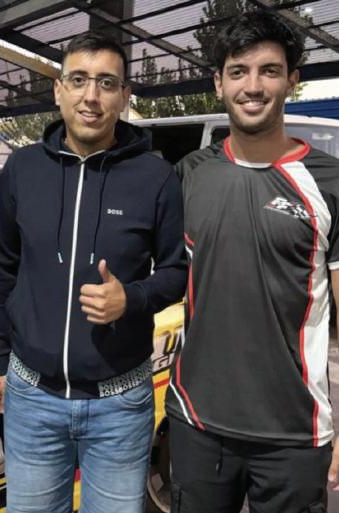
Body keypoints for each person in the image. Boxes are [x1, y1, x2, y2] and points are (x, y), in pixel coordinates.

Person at [0, 31, 186, 513]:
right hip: (31, 398)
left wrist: (131, 298)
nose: (91, 96)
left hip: (120, 404)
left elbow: (177, 272)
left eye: (106, 82)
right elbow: (5, 269)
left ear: (124, 96)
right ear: (58, 90)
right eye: (78, 80)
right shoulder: (22, 169)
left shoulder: (156, 177)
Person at [165, 10, 339, 513]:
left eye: (269, 70)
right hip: (196, 421)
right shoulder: (189, 174)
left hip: (294, 434)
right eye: (238, 71)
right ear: (218, 83)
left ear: (292, 80)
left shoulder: (328, 182)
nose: (253, 86)